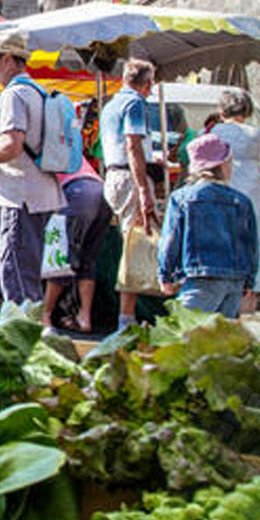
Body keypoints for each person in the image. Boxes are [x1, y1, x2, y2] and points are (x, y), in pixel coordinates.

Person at [0, 31, 65, 308]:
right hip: (42, 193)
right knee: (27, 276)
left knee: (17, 279)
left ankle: (24, 343)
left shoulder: (12, 95)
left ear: (8, 60)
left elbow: (11, 148)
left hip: (21, 197)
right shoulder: (37, 91)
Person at [207, 89, 260, 311]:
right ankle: (259, 288)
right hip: (256, 192)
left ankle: (228, 288)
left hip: (225, 191)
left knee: (228, 238)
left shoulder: (213, 133)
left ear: (222, 110)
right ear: (248, 110)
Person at [98, 60, 166, 326]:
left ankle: (128, 314)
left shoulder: (110, 105)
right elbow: (133, 145)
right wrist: (143, 190)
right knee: (136, 245)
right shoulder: (135, 104)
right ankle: (126, 317)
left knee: (131, 241)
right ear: (148, 83)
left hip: (113, 176)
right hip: (129, 177)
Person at [160, 133, 258, 316]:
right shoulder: (242, 201)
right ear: (222, 165)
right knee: (218, 339)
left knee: (183, 334)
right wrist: (249, 281)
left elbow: (170, 239)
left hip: (201, 277)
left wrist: (165, 275)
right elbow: (251, 245)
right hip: (234, 279)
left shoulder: (182, 198)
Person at [53, 163, 111, 335]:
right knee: (87, 258)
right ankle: (84, 317)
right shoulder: (74, 148)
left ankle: (46, 314)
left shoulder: (43, 145)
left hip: (77, 193)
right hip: (102, 191)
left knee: (61, 256)